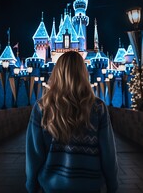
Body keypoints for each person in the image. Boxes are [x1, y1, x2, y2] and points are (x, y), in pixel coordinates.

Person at [25, 51, 118, 193]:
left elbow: (34, 154)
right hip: (90, 186)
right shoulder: (98, 107)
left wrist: (31, 185)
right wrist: (112, 185)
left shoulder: (42, 107)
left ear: (56, 73)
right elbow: (108, 153)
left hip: (53, 186)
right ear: (84, 73)